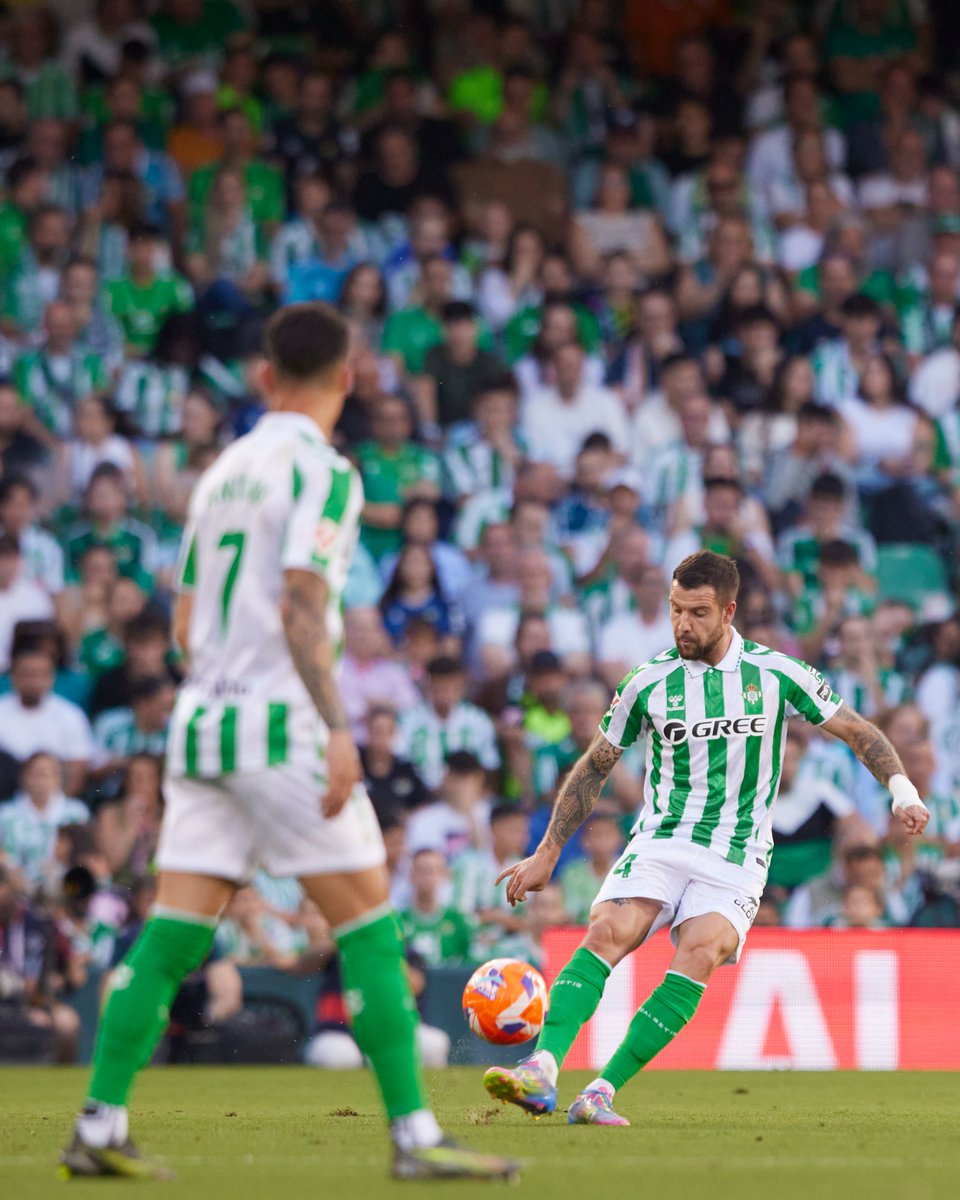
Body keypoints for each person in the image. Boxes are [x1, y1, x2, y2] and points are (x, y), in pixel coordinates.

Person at [60, 302, 515, 1182]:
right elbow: (303, 605)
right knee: (370, 927)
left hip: (201, 727)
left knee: (170, 937)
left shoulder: (220, 474)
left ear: (265, 377)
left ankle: (100, 1123)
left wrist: (227, 677)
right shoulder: (326, 472)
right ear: (347, 379)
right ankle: (415, 1139)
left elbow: (185, 623)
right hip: (279, 728)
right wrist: (337, 729)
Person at [482, 549, 929, 1125]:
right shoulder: (647, 682)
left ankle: (601, 1091)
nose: (682, 624)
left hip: (738, 853)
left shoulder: (776, 673)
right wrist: (548, 852)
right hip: (662, 839)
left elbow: (858, 730)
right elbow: (595, 766)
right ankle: (541, 1069)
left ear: (728, 611)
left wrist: (901, 789)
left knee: (700, 952)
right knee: (607, 930)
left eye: (697, 612)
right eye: (675, 610)